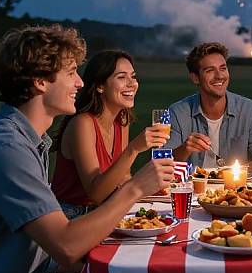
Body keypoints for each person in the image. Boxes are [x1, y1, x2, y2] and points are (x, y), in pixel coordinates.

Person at [0, 25, 173, 273]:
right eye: (71, 73)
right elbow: (66, 246)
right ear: (40, 81)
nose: (80, 82)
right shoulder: (6, 148)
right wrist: (135, 188)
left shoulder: (28, 139)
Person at [51, 50, 170, 219]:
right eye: (122, 77)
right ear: (100, 86)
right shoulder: (82, 123)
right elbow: (96, 193)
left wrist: (152, 189)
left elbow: (122, 177)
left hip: (105, 208)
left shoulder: (122, 119)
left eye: (133, 76)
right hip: (72, 215)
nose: (132, 83)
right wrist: (133, 149)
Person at [166, 42, 252, 176]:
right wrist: (185, 149)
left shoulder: (249, 109)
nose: (219, 76)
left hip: (235, 192)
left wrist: (230, 172)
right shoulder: (178, 112)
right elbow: (161, 165)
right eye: (210, 70)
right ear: (195, 78)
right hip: (192, 192)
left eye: (223, 68)